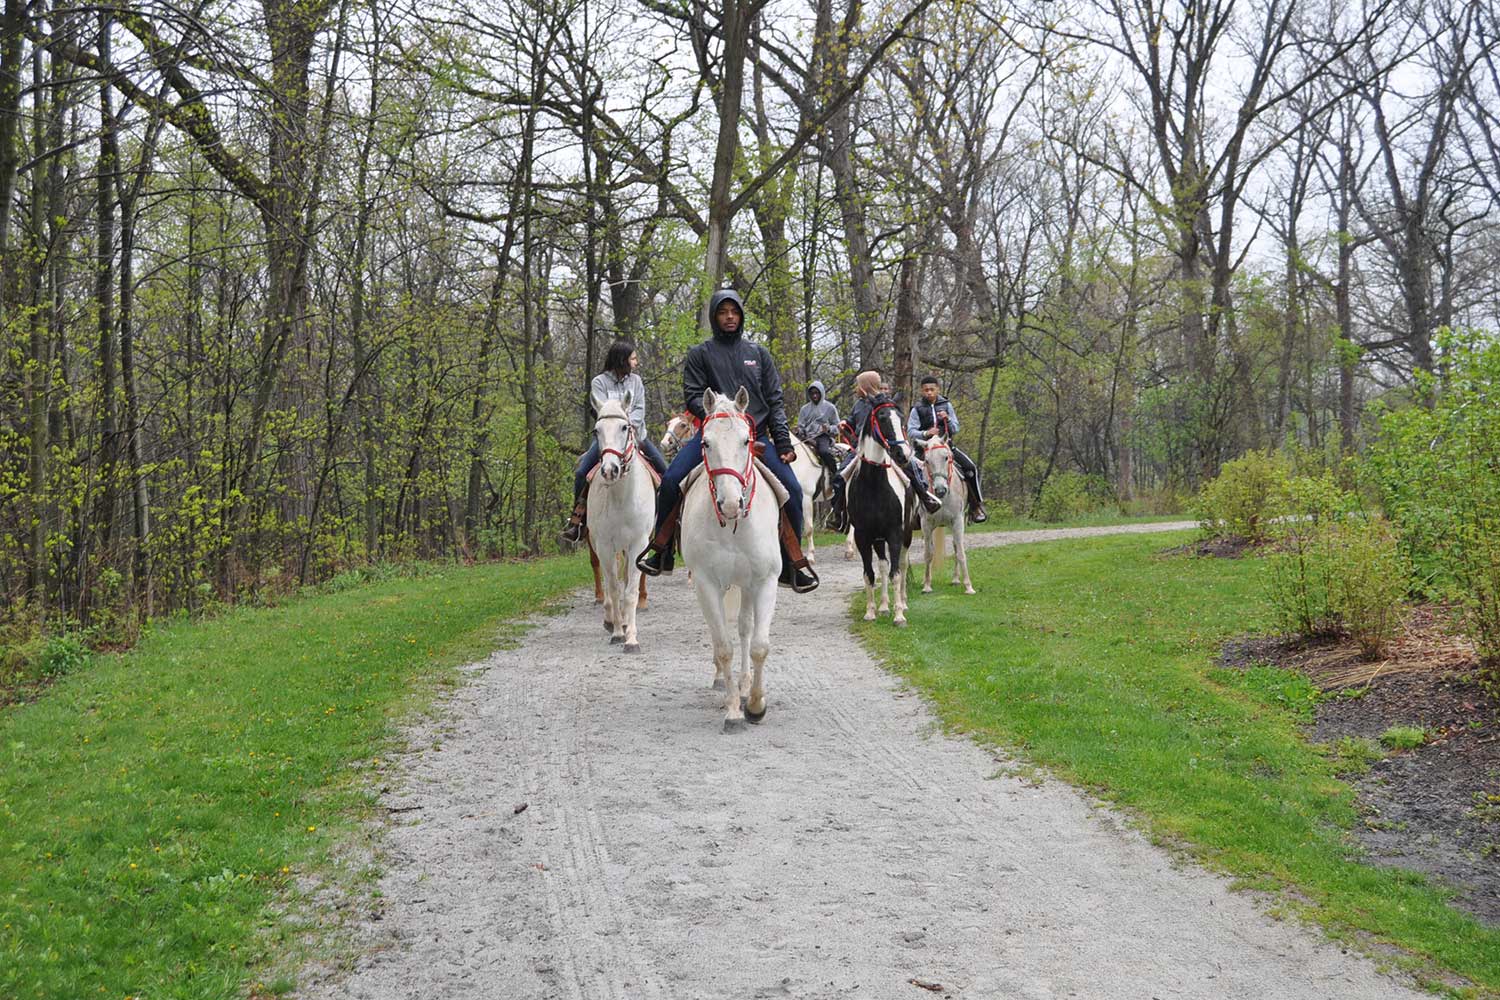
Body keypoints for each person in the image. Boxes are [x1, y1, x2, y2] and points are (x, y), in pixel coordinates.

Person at [634, 289, 819, 593]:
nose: (729, 317)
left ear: (741, 315)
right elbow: (693, 395)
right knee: (670, 481)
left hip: (753, 437)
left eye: (734, 311)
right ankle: (661, 550)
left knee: (794, 491)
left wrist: (783, 443)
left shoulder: (759, 355)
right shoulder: (700, 354)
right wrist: (721, 412)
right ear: (714, 317)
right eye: (723, 312)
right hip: (715, 434)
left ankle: (793, 563)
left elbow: (775, 400)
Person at [559, 340, 668, 544]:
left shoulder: (636, 382)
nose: (636, 362)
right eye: (633, 358)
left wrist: (628, 426)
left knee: (666, 474)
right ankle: (577, 521)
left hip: (636, 436)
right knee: (582, 472)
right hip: (608, 440)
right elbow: (601, 411)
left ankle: (663, 524)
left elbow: (639, 409)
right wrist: (616, 425)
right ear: (622, 360)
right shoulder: (599, 382)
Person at [826, 370, 941, 532]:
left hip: (884, 449)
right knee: (839, 476)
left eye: (858, 386)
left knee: (909, 470)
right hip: (860, 449)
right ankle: (839, 515)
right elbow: (853, 421)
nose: (855, 389)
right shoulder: (858, 404)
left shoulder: (884, 403)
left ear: (866, 387)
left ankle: (925, 499)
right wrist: (846, 422)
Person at [907, 375, 988, 522]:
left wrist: (948, 419)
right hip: (924, 450)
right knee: (908, 475)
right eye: (926, 390)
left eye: (932, 389)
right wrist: (925, 433)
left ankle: (976, 506)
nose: (929, 393)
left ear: (938, 389)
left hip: (946, 447)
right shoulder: (916, 409)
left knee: (970, 468)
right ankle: (910, 513)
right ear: (921, 391)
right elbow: (911, 431)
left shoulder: (947, 405)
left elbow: (955, 428)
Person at [796, 379, 842, 487]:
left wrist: (829, 429)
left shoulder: (830, 408)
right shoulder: (804, 409)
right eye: (812, 393)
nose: (814, 396)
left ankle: (835, 474)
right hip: (807, 436)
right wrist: (799, 430)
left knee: (824, 451)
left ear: (821, 393)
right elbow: (801, 425)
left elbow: (838, 426)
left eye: (817, 393)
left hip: (822, 436)